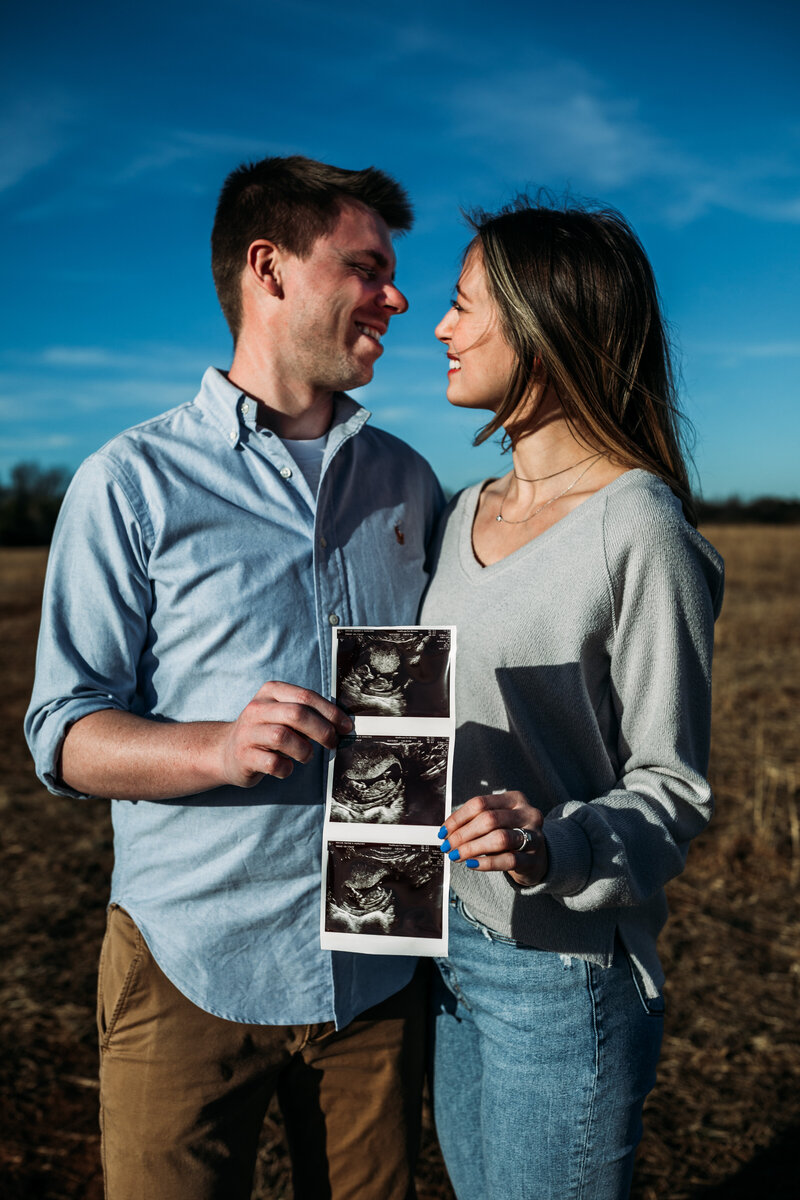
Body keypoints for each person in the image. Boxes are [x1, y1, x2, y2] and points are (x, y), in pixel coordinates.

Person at [25, 155, 443, 1200]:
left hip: (379, 960)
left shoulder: (408, 480)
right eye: (365, 267)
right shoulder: (130, 482)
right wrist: (211, 746)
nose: (396, 297)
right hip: (190, 957)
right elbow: (63, 732)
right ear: (269, 269)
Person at [420, 196, 724, 1200]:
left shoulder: (638, 527)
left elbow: (670, 792)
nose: (438, 328)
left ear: (544, 327)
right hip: (448, 956)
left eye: (464, 306)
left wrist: (551, 842)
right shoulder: (461, 509)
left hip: (559, 977)